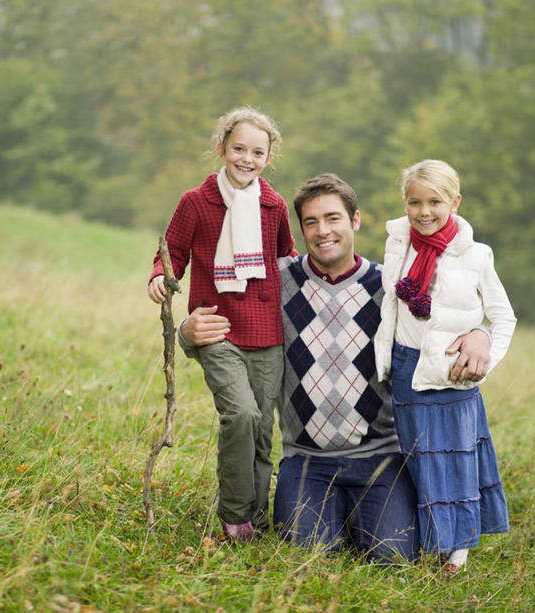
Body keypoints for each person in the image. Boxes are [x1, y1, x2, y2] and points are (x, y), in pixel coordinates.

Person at [181, 173, 491, 564]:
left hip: (381, 457)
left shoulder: (390, 286)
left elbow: (451, 314)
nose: (323, 231)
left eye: (333, 218)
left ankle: (361, 514)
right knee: (306, 559)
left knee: (392, 558)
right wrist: (187, 331)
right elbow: (223, 317)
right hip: (307, 460)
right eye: (311, 222)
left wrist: (480, 334)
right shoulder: (277, 283)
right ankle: (335, 517)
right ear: (301, 230)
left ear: (355, 220)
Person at [147, 107, 296, 541]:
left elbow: (286, 260)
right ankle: (234, 516)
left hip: (268, 333)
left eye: (257, 152)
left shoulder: (274, 206)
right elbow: (173, 251)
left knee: (262, 431)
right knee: (241, 415)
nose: (247, 159)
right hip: (217, 328)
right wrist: (160, 276)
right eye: (239, 149)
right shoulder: (196, 202)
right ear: (221, 149)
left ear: (268, 158)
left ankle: (257, 517)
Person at [373, 159, 516, 574]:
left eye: (434, 202)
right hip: (406, 368)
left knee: (456, 458)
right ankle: (429, 536)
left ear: (454, 202)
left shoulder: (475, 255)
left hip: (452, 375)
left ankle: (458, 550)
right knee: (419, 458)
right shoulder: (398, 243)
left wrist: (483, 353)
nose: (424, 212)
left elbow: (503, 317)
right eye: (414, 202)